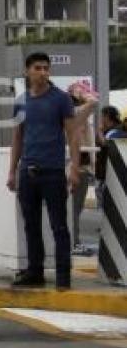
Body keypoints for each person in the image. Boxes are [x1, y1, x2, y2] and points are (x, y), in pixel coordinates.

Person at [8, 52, 80, 291]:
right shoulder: (20, 101)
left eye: (46, 68)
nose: (43, 72)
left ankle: (62, 277)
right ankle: (34, 272)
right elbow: (18, 137)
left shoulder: (61, 99)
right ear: (27, 71)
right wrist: (12, 171)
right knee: (31, 225)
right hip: (27, 172)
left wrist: (75, 168)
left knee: (59, 226)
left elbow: (72, 134)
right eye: (38, 68)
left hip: (53, 172)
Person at [67, 82, 99, 256]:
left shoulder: (78, 115)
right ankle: (74, 242)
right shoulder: (76, 113)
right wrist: (80, 92)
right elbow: (93, 102)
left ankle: (74, 241)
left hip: (81, 167)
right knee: (74, 208)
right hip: (79, 167)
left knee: (75, 208)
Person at [95, 106, 127, 208]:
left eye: (102, 116)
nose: (100, 119)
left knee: (107, 205)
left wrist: (99, 131)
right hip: (107, 174)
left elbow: (106, 144)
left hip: (110, 176)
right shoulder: (112, 131)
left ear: (107, 117)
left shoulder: (115, 132)